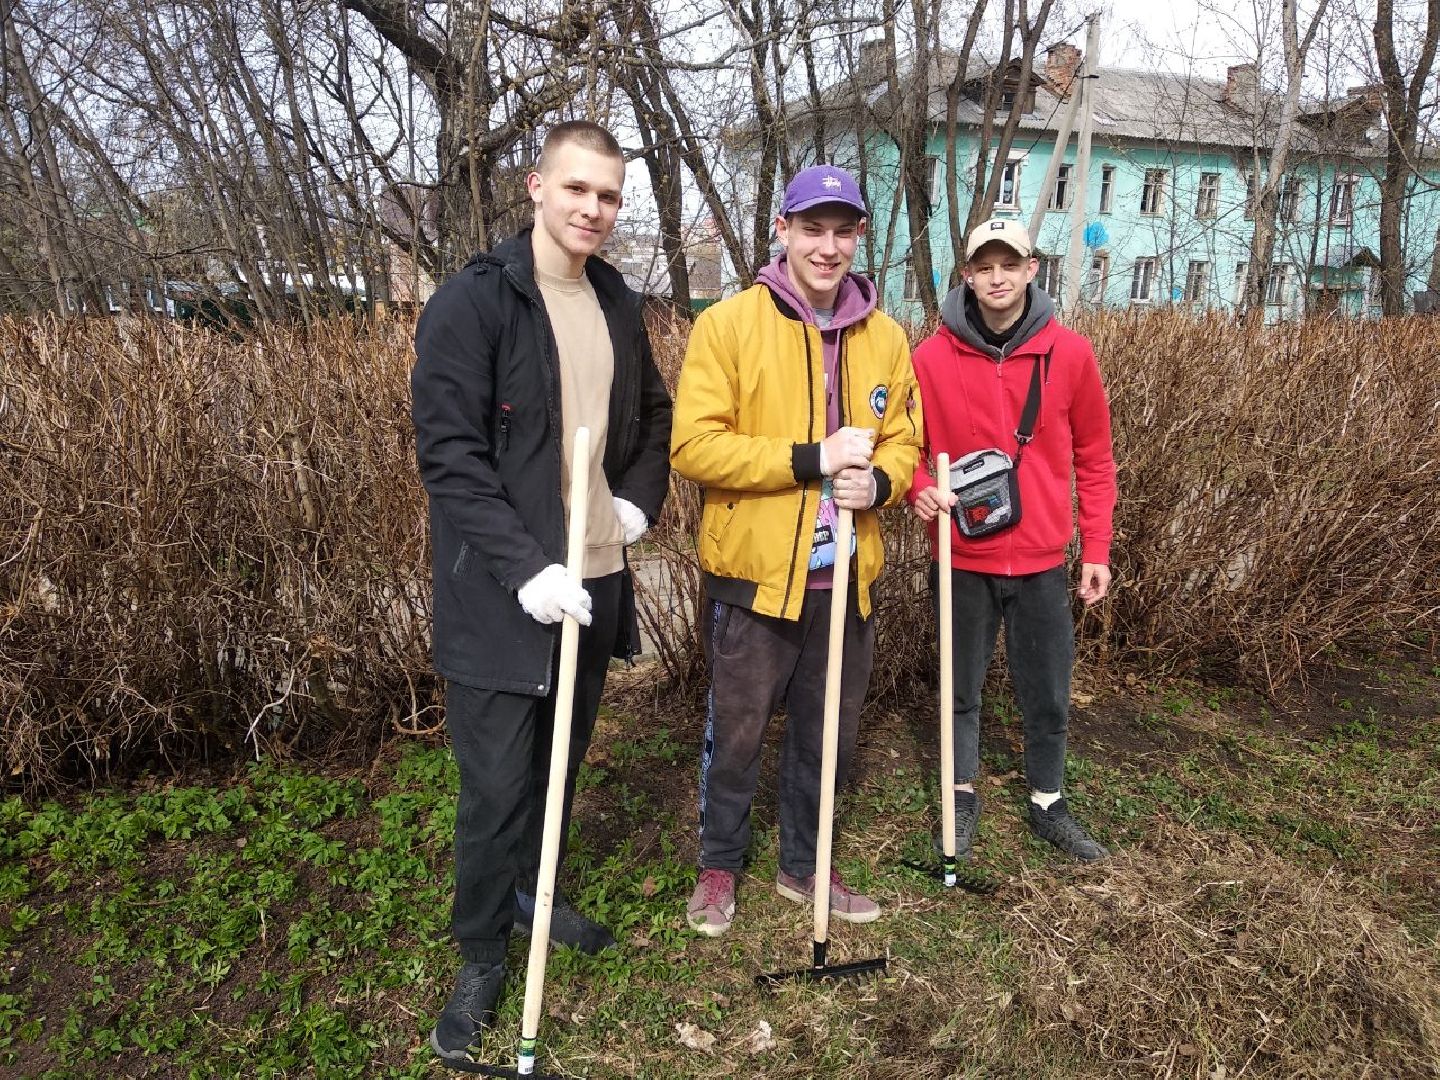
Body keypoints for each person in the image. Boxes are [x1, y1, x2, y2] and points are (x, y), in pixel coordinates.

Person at [411, 121, 672, 1064]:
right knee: (494, 788)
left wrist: (635, 507)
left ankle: (534, 895)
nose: (593, 210)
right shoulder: (474, 305)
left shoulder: (615, 300)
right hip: (501, 597)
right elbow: (450, 457)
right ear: (535, 186)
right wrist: (529, 567)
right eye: (577, 190)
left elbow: (650, 416)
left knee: (560, 765)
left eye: (608, 195)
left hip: (594, 581)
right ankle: (481, 954)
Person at [671, 165, 921, 937]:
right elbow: (695, 445)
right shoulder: (729, 326)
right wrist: (810, 459)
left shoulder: (886, 336)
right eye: (812, 228)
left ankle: (804, 865)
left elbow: (907, 438)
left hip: (845, 580)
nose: (828, 245)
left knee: (828, 734)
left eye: (843, 230)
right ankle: (720, 864)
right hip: (754, 577)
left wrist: (879, 482)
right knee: (738, 731)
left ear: (858, 239)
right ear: (783, 232)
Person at [908, 217, 1116, 864]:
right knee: (960, 687)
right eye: (984, 266)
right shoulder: (929, 358)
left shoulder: (1072, 355)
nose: (997, 277)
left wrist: (1098, 550)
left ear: (1032, 269)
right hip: (962, 557)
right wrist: (918, 486)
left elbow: (1096, 458)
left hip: (1041, 560)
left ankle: (1048, 801)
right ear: (966, 275)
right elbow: (905, 450)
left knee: (1047, 688)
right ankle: (961, 794)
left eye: (1010, 264)